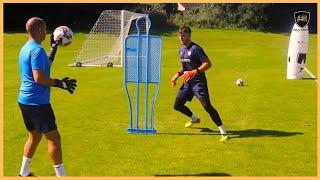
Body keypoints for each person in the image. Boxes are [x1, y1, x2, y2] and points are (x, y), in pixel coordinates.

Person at [18, 17, 77, 177]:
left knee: (35, 136)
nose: (46, 32)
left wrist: (54, 47)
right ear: (37, 30)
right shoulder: (36, 50)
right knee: (54, 138)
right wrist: (60, 83)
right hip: (37, 103)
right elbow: (39, 78)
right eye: (44, 29)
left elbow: (46, 65)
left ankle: (23, 173)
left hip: (25, 100)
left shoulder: (27, 48)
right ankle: (62, 176)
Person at [171, 26, 228, 142]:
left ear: (189, 36)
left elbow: (208, 63)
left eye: (183, 35)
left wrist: (195, 71)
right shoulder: (181, 50)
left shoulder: (196, 49)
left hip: (198, 83)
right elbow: (185, 66)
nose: (181, 37)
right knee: (177, 105)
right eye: (179, 35)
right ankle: (194, 119)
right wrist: (177, 75)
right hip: (187, 83)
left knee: (207, 106)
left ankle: (223, 131)